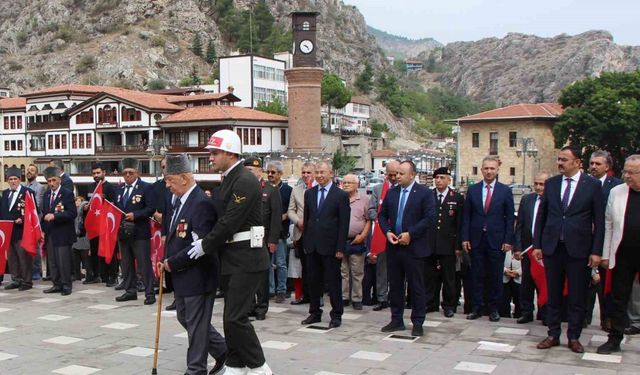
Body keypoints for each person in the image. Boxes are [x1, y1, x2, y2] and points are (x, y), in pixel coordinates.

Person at [188, 129, 272, 375]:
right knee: (230, 318)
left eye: (214, 153)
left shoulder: (244, 180)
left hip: (246, 257)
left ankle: (259, 367)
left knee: (236, 318)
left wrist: (205, 244)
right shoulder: (229, 179)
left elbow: (230, 222)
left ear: (229, 153)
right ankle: (235, 365)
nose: (211, 158)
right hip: (233, 256)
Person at [159, 154, 227, 375]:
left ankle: (196, 369)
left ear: (184, 178)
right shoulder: (179, 201)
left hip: (198, 274)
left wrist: (172, 262)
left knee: (196, 324)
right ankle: (223, 350)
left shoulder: (200, 203)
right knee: (185, 317)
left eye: (170, 179)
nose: (167, 185)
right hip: (182, 274)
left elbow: (200, 246)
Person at [532, 145, 604, 354]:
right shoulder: (552, 184)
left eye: (564, 159)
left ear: (577, 162)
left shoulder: (591, 186)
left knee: (576, 295)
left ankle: (574, 336)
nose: (560, 163)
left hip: (579, 249)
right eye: (559, 159)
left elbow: (598, 221)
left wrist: (596, 251)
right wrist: (538, 245)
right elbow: (542, 217)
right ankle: (553, 333)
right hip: (553, 248)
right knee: (553, 293)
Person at [378, 160, 436, 337]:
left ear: (412, 175)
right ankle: (396, 319)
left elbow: (429, 218)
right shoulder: (392, 193)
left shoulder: (424, 193)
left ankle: (418, 321)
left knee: (416, 286)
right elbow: (382, 215)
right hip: (394, 246)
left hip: (414, 246)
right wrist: (387, 232)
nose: (397, 177)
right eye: (396, 174)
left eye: (401, 174)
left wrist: (411, 233)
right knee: (395, 285)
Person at [462, 155, 515, 322]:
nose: (489, 171)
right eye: (486, 168)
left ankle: (494, 308)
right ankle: (477, 307)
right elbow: (466, 216)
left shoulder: (505, 191)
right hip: (476, 239)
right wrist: (465, 237)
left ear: (497, 170)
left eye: (492, 168)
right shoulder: (473, 190)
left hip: (496, 240)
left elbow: (510, 218)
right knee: (476, 275)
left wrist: (508, 240)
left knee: (495, 276)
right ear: (482, 170)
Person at [597, 154, 640, 354]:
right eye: (625, 171)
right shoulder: (617, 192)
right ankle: (614, 338)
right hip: (622, 254)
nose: (627, 176)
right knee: (618, 298)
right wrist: (605, 254)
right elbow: (609, 225)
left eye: (632, 173)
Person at [300, 160, 350, 329]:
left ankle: (336, 314)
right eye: (317, 172)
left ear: (331, 174)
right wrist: (306, 242)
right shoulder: (310, 193)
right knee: (313, 281)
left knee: (333, 282)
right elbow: (307, 219)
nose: (319, 175)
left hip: (331, 246)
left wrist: (340, 248)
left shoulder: (340, 195)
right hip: (312, 245)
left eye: (323, 172)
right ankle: (314, 312)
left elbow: (344, 224)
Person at [585, 150, 622, 330]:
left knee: (605, 282)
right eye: (591, 163)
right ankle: (584, 317)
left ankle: (607, 318)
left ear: (607, 167)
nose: (593, 167)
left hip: (607, 242)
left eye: (598, 164)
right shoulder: (584, 183)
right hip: (586, 241)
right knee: (585, 282)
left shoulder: (617, 187)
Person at [114, 158, 156, 305]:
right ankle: (130, 291)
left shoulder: (146, 187)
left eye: (130, 173)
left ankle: (149, 293)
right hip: (124, 233)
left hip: (140, 232)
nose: (127, 175)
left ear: (137, 173)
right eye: (125, 173)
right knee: (126, 264)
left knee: (144, 264)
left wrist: (136, 215)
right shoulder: (118, 189)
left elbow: (151, 208)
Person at [244, 156, 282, 321]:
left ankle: (261, 307)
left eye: (251, 170)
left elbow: (275, 217)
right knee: (247, 273)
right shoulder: (242, 189)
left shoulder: (270, 190)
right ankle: (250, 305)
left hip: (263, 238)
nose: (249, 174)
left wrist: (273, 240)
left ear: (260, 171)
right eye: (246, 171)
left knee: (261, 275)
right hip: (246, 237)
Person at [425, 167, 464, 317]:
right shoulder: (428, 196)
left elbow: (460, 224)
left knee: (449, 277)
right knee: (429, 275)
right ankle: (430, 303)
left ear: (449, 180)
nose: (439, 180)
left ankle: (449, 305)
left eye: (442, 178)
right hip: (430, 243)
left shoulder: (457, 198)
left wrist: (458, 245)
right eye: (437, 178)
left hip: (448, 244)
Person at [513, 171, 550, 324]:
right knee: (526, 281)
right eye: (536, 184)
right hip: (527, 249)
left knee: (544, 282)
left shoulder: (553, 201)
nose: (538, 187)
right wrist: (517, 247)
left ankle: (545, 312)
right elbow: (520, 225)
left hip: (545, 250)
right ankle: (526, 312)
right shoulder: (527, 199)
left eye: (542, 184)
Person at [367, 160, 400, 311]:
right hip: (382, 233)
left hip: (400, 234)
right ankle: (382, 297)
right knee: (382, 268)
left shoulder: (403, 189)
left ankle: (397, 296)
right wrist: (380, 219)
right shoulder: (378, 189)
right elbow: (371, 209)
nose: (393, 178)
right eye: (390, 175)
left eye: (396, 174)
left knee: (399, 268)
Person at [41, 166, 77, 296]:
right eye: (49, 181)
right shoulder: (46, 195)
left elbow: (72, 213)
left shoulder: (67, 193)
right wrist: (42, 230)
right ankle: (56, 284)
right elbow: (44, 214)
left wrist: (55, 216)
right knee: (53, 261)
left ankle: (66, 285)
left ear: (59, 180)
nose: (51, 184)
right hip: (50, 233)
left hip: (63, 233)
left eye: (54, 180)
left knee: (63, 261)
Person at [84, 162, 119, 286]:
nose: (96, 175)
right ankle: (95, 275)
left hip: (106, 225)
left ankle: (112, 276)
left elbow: (114, 206)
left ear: (104, 172)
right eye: (94, 173)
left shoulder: (110, 187)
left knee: (108, 250)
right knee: (94, 251)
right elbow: (88, 203)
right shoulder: (89, 187)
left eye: (98, 172)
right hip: (94, 225)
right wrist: (85, 207)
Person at [2, 166, 36, 291]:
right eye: (10, 179)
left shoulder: (27, 192)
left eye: (15, 179)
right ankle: (16, 279)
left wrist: (23, 218)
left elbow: (33, 211)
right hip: (8, 231)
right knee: (12, 258)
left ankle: (27, 281)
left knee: (24, 257)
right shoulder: (5, 193)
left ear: (19, 179)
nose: (13, 181)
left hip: (22, 231)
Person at [340, 174, 371, 311]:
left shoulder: (364, 200)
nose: (346, 185)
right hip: (341, 240)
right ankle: (344, 297)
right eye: (344, 182)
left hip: (357, 240)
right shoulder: (339, 198)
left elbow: (369, 220)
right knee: (343, 271)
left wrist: (363, 235)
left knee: (357, 272)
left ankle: (357, 298)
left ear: (357, 185)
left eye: (349, 183)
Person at [287, 162, 316, 305]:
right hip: (301, 232)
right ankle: (306, 295)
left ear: (314, 173)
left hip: (317, 233)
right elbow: (290, 210)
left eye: (308, 173)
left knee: (317, 265)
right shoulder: (296, 190)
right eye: (303, 172)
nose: (306, 175)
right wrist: (298, 221)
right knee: (304, 265)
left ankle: (318, 296)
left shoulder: (319, 188)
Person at [266, 160, 292, 304]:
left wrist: (279, 216)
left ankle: (281, 290)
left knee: (281, 262)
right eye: (268, 172)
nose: (270, 175)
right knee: (268, 263)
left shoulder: (287, 190)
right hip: (266, 232)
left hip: (281, 232)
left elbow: (291, 209)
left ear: (280, 174)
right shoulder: (263, 188)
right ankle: (270, 289)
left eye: (273, 172)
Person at [151, 157, 176, 310]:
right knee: (166, 258)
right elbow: (155, 206)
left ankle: (178, 295)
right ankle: (169, 285)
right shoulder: (158, 186)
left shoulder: (181, 185)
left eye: (167, 166)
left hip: (180, 229)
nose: (164, 169)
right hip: (163, 227)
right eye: (162, 167)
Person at [72, 196, 90, 282]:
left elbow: (86, 204)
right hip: (75, 241)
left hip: (84, 240)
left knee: (86, 260)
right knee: (75, 261)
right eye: (76, 201)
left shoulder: (85, 212)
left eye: (79, 201)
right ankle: (77, 275)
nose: (77, 203)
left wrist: (84, 205)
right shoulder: (73, 213)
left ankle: (89, 275)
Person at [500, 249, 522, 318]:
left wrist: (519, 272)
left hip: (520, 278)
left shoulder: (523, 241)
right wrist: (504, 270)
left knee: (520, 304)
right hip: (503, 277)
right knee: (503, 304)